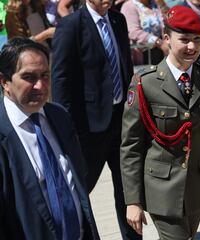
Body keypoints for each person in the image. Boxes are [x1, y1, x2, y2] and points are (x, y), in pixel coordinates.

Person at [120, 5, 200, 239]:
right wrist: (133, 201)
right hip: (162, 191)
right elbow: (131, 147)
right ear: (167, 38)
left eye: (197, 40)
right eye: (185, 40)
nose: (192, 47)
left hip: (196, 189)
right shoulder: (144, 83)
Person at [51, 0, 140, 239]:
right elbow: (60, 81)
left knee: (128, 191)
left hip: (121, 123)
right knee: (80, 192)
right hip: (88, 128)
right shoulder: (71, 26)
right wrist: (66, 128)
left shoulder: (117, 20)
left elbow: (126, 68)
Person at [0, 37, 100, 239]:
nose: (40, 86)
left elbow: (77, 182)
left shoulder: (59, 116)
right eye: (29, 77)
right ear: (4, 81)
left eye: (45, 75)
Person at [120, 0, 169, 65]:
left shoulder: (155, 3)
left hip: (161, 52)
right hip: (143, 53)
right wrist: (158, 42)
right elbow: (133, 32)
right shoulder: (128, 6)